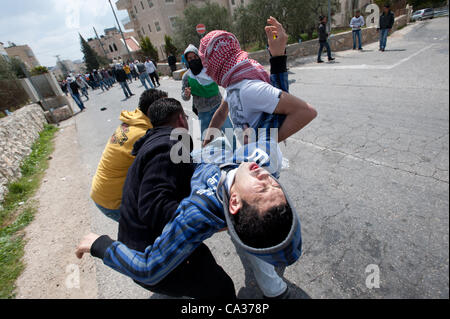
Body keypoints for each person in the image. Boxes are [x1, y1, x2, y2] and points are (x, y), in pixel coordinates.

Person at [77, 98, 302, 299]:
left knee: (220, 288)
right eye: (275, 185)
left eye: (262, 190)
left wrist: (100, 245)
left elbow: (148, 267)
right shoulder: (257, 160)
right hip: (147, 232)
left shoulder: (197, 214)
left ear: (234, 202)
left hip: (143, 249)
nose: (266, 178)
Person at [201, 17, 317, 147]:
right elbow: (222, 113)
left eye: (206, 63)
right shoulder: (232, 86)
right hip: (250, 159)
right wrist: (205, 143)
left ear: (215, 64)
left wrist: (261, 144)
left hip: (261, 164)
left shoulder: (248, 89)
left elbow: (307, 112)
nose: (205, 70)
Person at [90, 89, 166, 221]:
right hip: (115, 201)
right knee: (154, 233)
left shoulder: (134, 120)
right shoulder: (143, 134)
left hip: (102, 192)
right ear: (151, 111)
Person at [181, 44, 234, 140]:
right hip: (203, 112)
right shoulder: (186, 76)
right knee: (208, 140)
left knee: (230, 134)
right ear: (187, 60)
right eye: (190, 58)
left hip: (218, 107)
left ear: (199, 56)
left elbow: (221, 79)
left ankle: (235, 153)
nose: (193, 60)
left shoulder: (209, 70)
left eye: (195, 57)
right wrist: (186, 94)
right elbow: (184, 96)